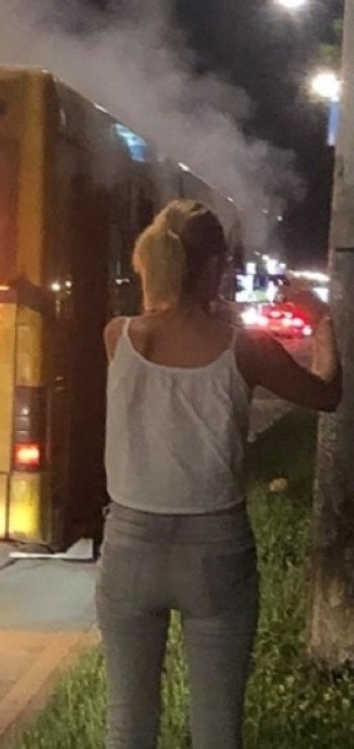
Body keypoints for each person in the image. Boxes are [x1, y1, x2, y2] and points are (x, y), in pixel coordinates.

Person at [97, 199, 341, 749]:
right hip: (215, 549)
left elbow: (161, 319)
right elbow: (327, 393)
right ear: (211, 268)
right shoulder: (246, 348)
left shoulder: (119, 336)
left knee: (128, 725)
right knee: (216, 729)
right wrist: (322, 321)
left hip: (130, 545)